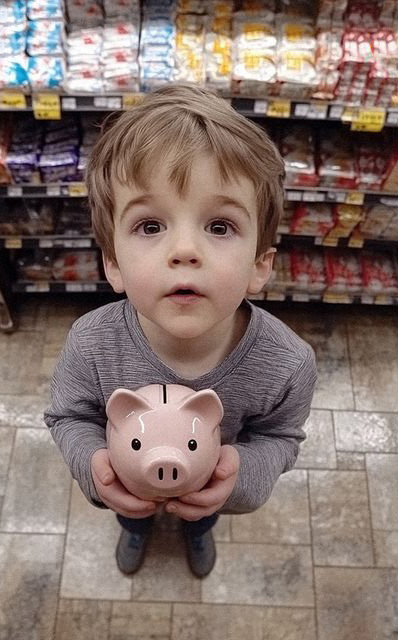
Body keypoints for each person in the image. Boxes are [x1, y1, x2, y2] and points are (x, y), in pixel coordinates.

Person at [44, 83, 317, 579]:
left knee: (201, 519)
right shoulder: (90, 344)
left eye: (219, 226)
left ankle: (198, 532)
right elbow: (67, 416)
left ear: (260, 265)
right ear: (113, 264)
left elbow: (280, 438)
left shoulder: (288, 363)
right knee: (133, 511)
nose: (184, 250)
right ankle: (134, 527)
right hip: (130, 483)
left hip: (208, 490)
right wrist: (95, 470)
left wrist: (238, 482)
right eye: (150, 226)